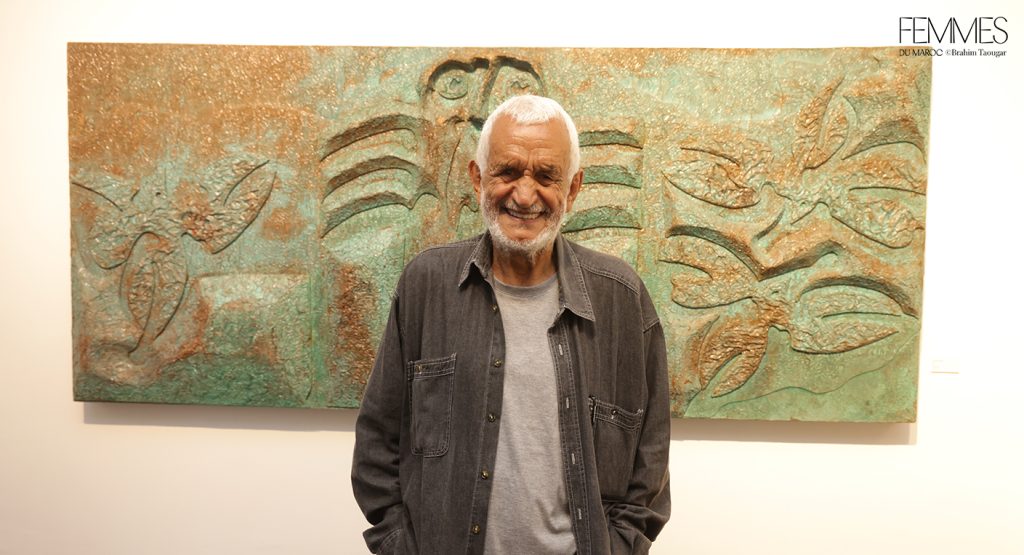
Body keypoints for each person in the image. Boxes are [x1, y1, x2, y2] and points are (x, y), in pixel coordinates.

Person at [352, 94, 670, 555]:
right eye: (507, 171)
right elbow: (377, 448)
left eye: (546, 176)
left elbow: (649, 468)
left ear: (573, 188)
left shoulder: (621, 299)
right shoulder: (427, 285)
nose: (524, 195)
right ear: (477, 177)